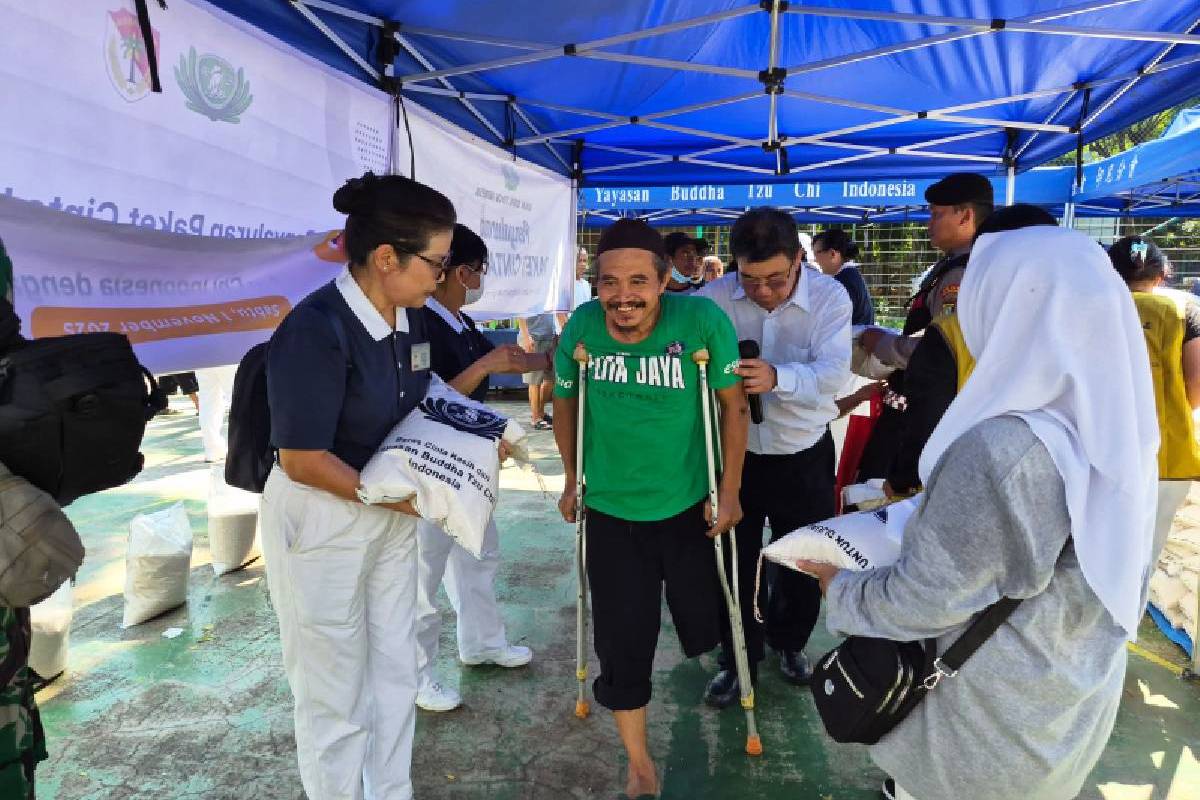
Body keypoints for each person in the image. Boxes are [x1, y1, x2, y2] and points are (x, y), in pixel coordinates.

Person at [801, 223, 1159, 800]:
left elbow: (923, 601)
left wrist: (837, 586)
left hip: (977, 741)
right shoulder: (1123, 428)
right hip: (1063, 719)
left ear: (1008, 308)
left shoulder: (1005, 449)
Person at [259, 171, 462, 800]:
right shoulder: (315, 328)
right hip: (324, 519)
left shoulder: (407, 317)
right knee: (332, 689)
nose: (443, 274)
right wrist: (388, 497)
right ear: (385, 257)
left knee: (395, 671)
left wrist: (480, 433)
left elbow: (422, 399)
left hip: (386, 509)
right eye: (437, 260)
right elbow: (302, 458)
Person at [552, 218, 748, 799]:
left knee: (701, 620)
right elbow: (565, 404)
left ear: (665, 280)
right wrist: (571, 478)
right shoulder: (584, 327)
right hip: (612, 512)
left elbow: (733, 407)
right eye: (608, 282)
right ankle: (640, 766)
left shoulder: (703, 322)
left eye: (638, 280)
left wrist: (730, 489)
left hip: (687, 504)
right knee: (622, 640)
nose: (623, 296)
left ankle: (710, 656)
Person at [697, 208, 851, 705]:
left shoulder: (830, 297)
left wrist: (777, 377)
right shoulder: (713, 299)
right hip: (734, 455)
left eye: (776, 280)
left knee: (802, 560)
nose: (763, 292)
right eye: (750, 279)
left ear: (800, 262)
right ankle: (738, 657)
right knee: (731, 561)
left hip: (803, 451)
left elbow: (833, 375)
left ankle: (790, 643)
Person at [414, 224, 539, 712]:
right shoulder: (420, 322)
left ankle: (483, 643)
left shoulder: (460, 322)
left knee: (478, 556)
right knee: (423, 575)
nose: (477, 280)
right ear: (460, 271)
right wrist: (486, 370)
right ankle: (416, 675)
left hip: (470, 463)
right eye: (477, 272)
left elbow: (498, 368)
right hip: (432, 466)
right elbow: (428, 400)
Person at [882, 204, 1057, 497]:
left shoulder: (954, 332)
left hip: (963, 489)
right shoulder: (1093, 332)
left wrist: (902, 480)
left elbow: (926, 421)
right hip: (1058, 499)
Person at [854, 172, 993, 484]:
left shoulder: (961, 275)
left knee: (881, 502)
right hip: (929, 412)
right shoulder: (963, 265)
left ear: (966, 216)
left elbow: (943, 352)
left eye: (936, 214)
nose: (928, 223)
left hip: (927, 417)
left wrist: (882, 343)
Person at [1110, 235, 1200, 561]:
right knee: (1146, 548)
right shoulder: (1184, 309)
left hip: (1100, 448)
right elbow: (1198, 379)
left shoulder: (1091, 308)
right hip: (1167, 451)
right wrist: (1177, 408)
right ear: (1162, 274)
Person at [812, 229, 874, 326]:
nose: (815, 260)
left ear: (832, 254)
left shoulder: (843, 281)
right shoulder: (850, 275)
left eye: (817, 254)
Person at [517, 312, 556, 429]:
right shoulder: (528, 293)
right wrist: (526, 337)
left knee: (551, 379)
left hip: (550, 336)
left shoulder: (550, 294)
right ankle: (535, 418)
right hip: (533, 337)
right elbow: (520, 312)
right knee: (534, 380)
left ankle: (540, 412)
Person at [195, 365, 236, 462]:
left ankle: (211, 450)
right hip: (228, 357)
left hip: (200, 356)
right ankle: (243, 447)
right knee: (236, 398)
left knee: (208, 402)